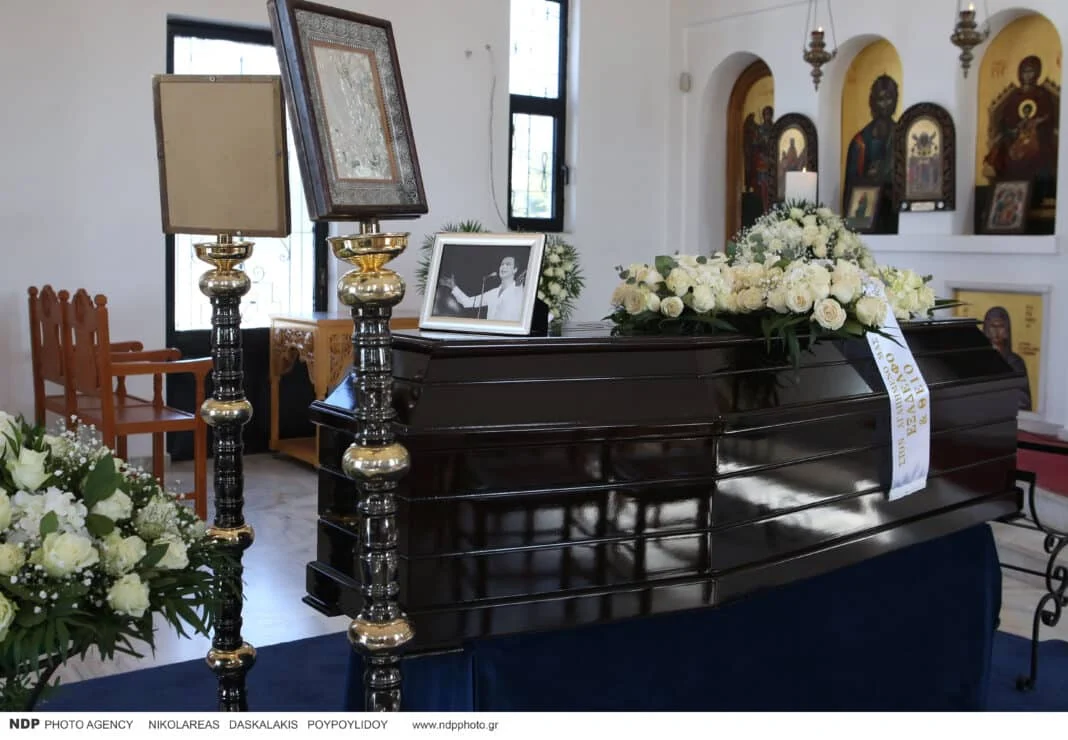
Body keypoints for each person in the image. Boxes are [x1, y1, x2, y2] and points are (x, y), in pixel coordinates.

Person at [983, 56, 1059, 182]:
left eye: (1031, 71)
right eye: (1024, 71)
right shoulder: (1015, 96)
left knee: (1035, 153)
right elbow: (1005, 119)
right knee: (1005, 154)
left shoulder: (1042, 94)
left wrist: (1034, 124)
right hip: (1014, 136)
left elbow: (1048, 116)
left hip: (1038, 135)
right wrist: (1015, 129)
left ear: (1037, 72)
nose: (1027, 75)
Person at [843, 75, 898, 206]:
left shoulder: (902, 135)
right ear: (872, 102)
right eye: (881, 99)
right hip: (867, 206)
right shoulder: (860, 142)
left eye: (889, 98)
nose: (885, 104)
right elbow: (851, 187)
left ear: (896, 100)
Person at [439, 255, 526, 322]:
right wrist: (453, 287)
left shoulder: (519, 290)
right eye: (502, 264)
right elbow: (468, 302)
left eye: (508, 264)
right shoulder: (493, 293)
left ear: (515, 270)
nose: (503, 267)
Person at [983, 306, 1032, 410]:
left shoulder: (1016, 362)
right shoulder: (978, 360)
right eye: (992, 326)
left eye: (1000, 326)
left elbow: (1023, 399)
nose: (996, 331)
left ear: (1007, 330)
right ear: (986, 329)